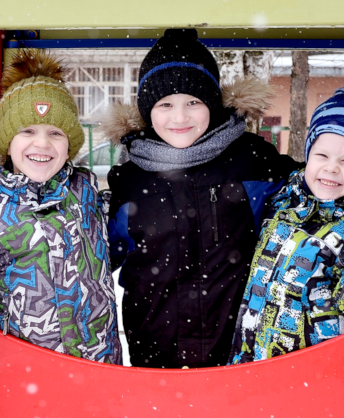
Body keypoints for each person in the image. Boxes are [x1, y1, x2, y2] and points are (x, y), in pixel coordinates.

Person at [102, 28, 296, 368]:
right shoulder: (130, 181)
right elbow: (95, 256)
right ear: (148, 110)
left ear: (212, 103)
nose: (180, 117)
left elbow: (316, 194)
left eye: (193, 102)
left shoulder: (251, 162)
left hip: (239, 354)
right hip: (155, 353)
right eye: (166, 104)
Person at [0, 50, 123, 364]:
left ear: (69, 145)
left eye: (55, 133)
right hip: (26, 361)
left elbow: (101, 244)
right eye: (27, 131)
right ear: (7, 141)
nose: (42, 144)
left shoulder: (83, 189)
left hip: (98, 357)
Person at [229, 90, 344, 364]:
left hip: (311, 371)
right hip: (249, 362)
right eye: (322, 155)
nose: (331, 168)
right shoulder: (283, 200)